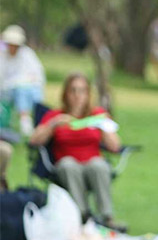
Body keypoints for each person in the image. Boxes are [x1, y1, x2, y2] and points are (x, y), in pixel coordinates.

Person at [29, 73, 124, 229]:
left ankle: (107, 218)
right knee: (68, 165)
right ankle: (83, 215)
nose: (77, 95)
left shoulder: (97, 114)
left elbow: (115, 146)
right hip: (65, 167)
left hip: (92, 165)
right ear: (65, 93)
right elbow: (34, 141)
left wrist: (103, 126)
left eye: (81, 91)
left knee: (98, 165)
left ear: (88, 94)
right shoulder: (55, 116)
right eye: (73, 90)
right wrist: (53, 125)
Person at [0, 25, 45, 136]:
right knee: (19, 91)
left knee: (23, 91)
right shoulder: (3, 56)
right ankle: (21, 121)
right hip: (7, 91)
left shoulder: (27, 55)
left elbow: (37, 76)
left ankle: (27, 121)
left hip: (29, 89)